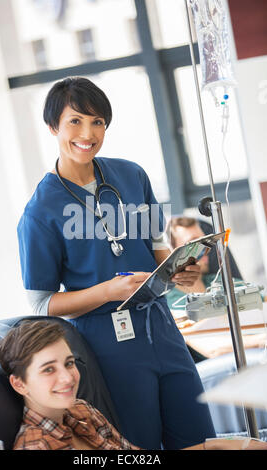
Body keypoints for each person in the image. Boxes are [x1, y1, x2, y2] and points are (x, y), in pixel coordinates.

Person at [17, 76, 216, 450]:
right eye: (75, 121)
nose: (88, 133)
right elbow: (42, 303)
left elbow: (159, 247)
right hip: (106, 343)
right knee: (136, 445)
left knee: (198, 437)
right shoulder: (40, 212)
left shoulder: (131, 175)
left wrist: (179, 269)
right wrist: (107, 290)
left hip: (161, 325)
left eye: (98, 122)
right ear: (52, 127)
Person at [0, 320, 267, 451]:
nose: (68, 378)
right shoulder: (36, 447)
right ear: (19, 384)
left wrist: (218, 447)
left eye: (69, 363)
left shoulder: (81, 411)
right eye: (48, 370)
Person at [166, 216, 267, 359]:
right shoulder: (170, 303)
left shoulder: (221, 281)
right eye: (194, 242)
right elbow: (213, 348)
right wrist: (259, 340)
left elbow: (263, 301)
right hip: (226, 363)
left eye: (205, 241)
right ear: (172, 253)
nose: (206, 249)